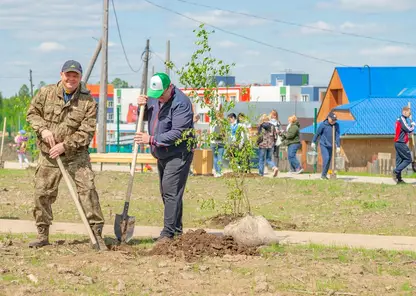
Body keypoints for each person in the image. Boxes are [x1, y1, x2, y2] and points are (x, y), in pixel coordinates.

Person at [26, 60, 106, 249]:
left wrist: (65, 145)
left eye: (75, 75)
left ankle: (97, 235)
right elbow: (32, 114)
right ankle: (42, 234)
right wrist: (43, 130)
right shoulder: (46, 93)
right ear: (61, 75)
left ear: (80, 77)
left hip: (76, 155)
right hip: (49, 155)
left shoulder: (87, 101)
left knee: (88, 191)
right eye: (68, 74)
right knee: (42, 193)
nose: (71, 78)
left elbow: (87, 132)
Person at [134, 72, 194, 241]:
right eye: (155, 96)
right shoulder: (155, 96)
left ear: (169, 87)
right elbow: (146, 116)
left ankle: (168, 233)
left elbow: (178, 133)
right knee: (168, 192)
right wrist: (141, 107)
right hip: (161, 153)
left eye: (161, 95)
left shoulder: (181, 103)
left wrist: (151, 139)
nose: (158, 98)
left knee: (170, 191)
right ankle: (176, 231)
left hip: (178, 153)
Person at [311, 111, 340, 180]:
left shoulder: (336, 125)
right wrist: (313, 142)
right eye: (332, 120)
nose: (334, 121)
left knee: (329, 160)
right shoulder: (323, 125)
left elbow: (337, 135)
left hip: (331, 145)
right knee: (326, 158)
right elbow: (317, 133)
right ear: (328, 118)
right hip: (324, 144)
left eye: (335, 120)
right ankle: (323, 175)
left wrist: (338, 146)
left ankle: (324, 175)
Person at [393, 106, 415, 184]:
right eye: (409, 113)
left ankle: (399, 179)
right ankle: (396, 171)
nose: (410, 114)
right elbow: (408, 129)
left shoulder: (400, 119)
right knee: (408, 159)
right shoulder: (402, 119)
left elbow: (404, 131)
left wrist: (408, 132)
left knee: (399, 161)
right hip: (401, 142)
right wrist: (412, 126)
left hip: (398, 142)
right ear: (404, 112)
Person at [210, 110, 226, 177]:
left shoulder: (212, 122)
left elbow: (210, 132)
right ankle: (219, 172)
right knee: (220, 157)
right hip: (221, 142)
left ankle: (216, 172)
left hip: (213, 142)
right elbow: (225, 133)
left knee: (215, 157)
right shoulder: (223, 122)